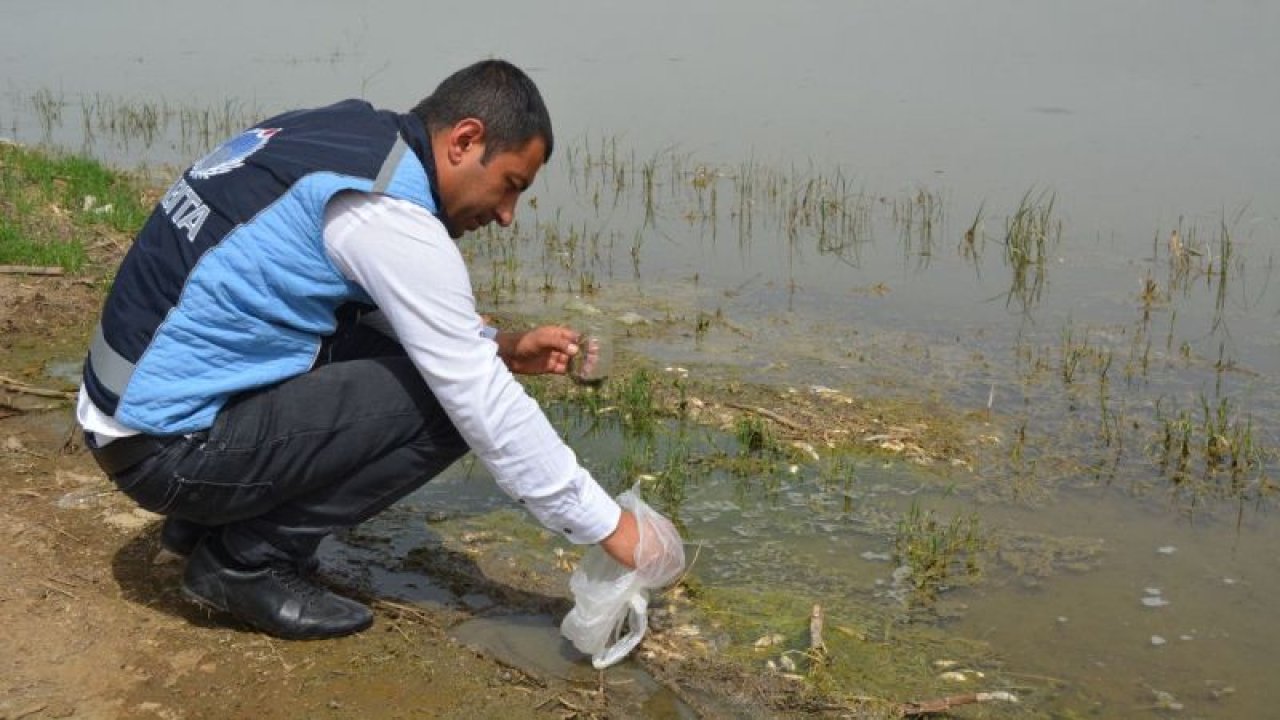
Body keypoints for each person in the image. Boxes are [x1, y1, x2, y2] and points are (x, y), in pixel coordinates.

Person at [78, 59, 668, 640]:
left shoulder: (349, 135)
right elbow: (480, 399)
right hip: (168, 450)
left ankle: (202, 524)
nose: (507, 215)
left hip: (131, 415)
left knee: (406, 347)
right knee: (448, 404)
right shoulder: (387, 213)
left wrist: (501, 346)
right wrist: (611, 528)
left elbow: (362, 303)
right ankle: (245, 561)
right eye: (511, 185)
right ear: (465, 140)